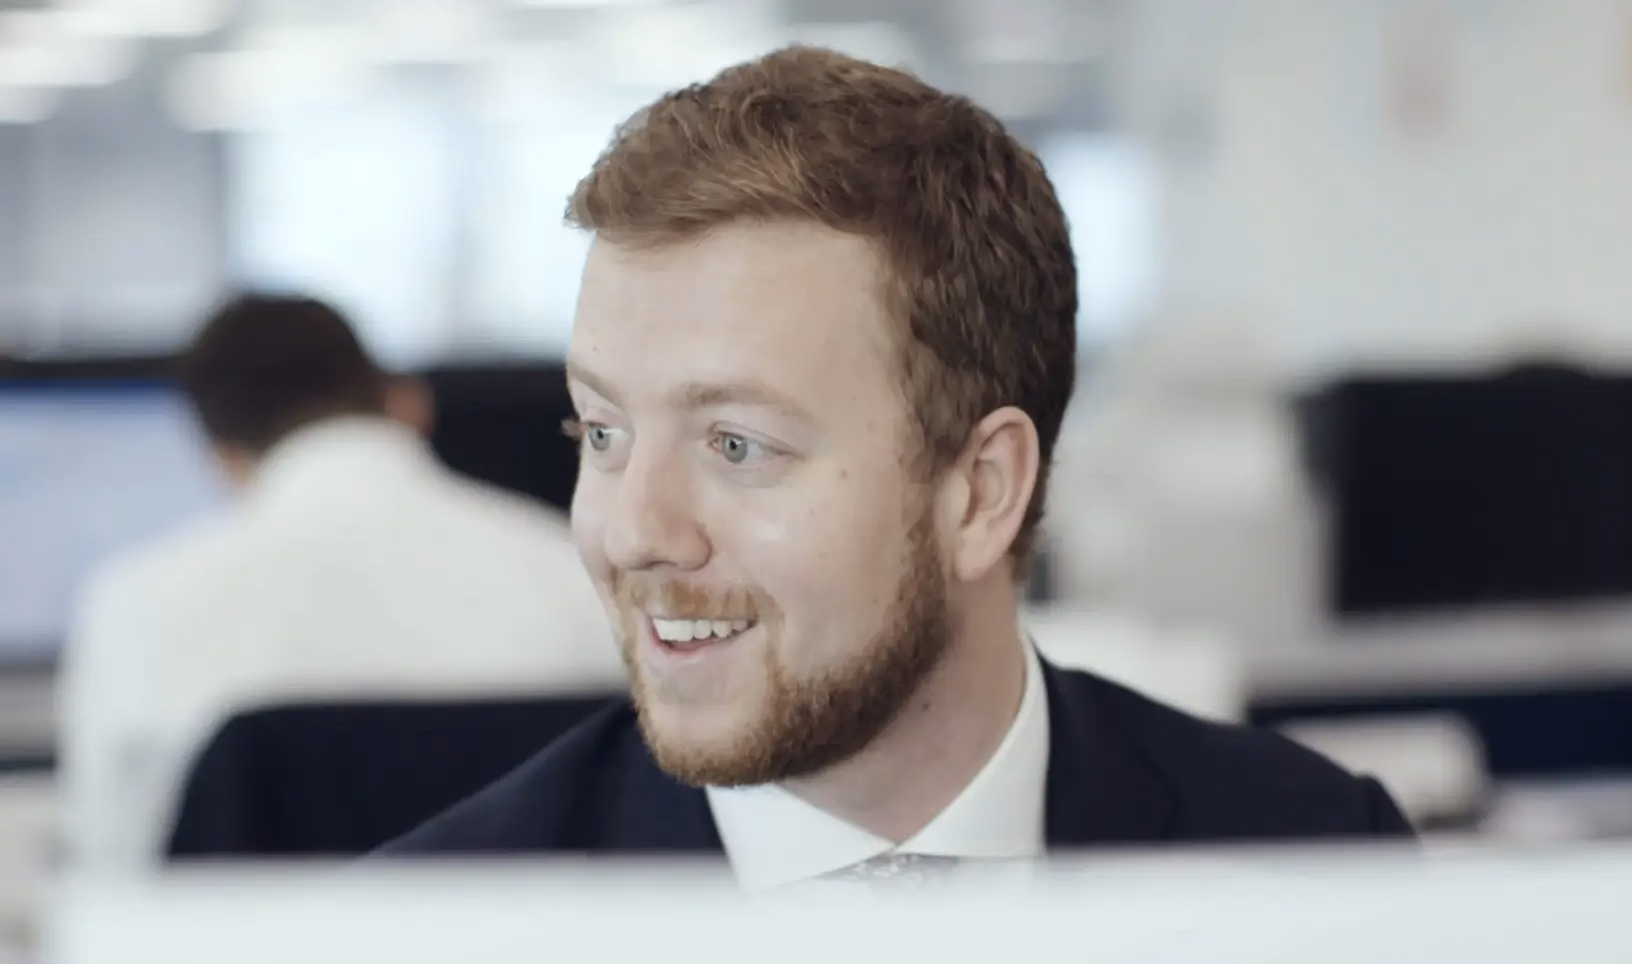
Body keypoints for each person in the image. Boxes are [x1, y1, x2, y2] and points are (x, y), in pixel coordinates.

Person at [382, 47, 1413, 882]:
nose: (636, 529)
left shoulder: (1315, 856)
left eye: (737, 444)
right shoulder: (430, 931)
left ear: (983, 491)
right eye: (601, 434)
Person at [60, 294, 623, 872]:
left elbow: (113, 880)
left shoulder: (138, 601)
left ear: (223, 458)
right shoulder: (580, 569)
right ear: (407, 405)